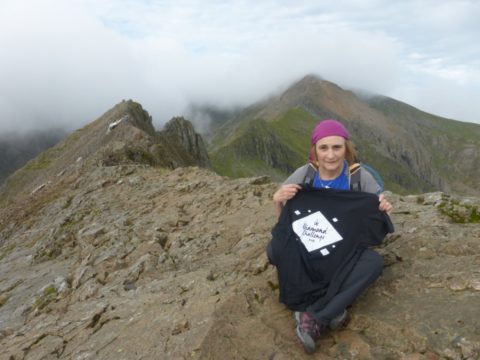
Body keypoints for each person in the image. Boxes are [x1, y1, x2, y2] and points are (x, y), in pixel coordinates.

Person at [270, 119, 393, 354]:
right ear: (314, 150)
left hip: (344, 250)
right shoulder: (304, 175)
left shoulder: (360, 178)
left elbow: (376, 223)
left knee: (373, 262)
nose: (330, 155)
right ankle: (333, 306)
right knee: (274, 250)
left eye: (337, 147)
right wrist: (278, 200)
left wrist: (383, 210)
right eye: (323, 148)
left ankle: (313, 315)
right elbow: (283, 223)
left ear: (346, 148)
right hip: (307, 244)